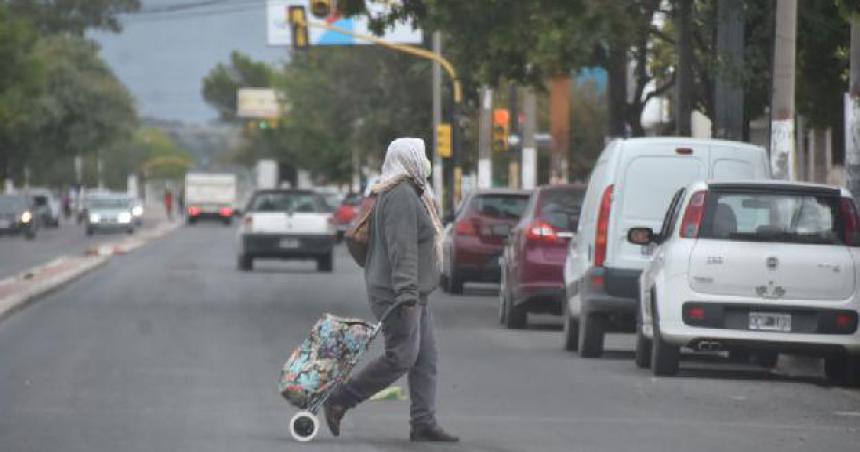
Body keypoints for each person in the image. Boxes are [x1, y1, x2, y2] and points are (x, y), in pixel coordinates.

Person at [324, 138, 459, 442]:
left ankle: (423, 422)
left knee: (426, 359)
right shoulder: (399, 195)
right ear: (408, 159)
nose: (424, 163)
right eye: (420, 156)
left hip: (413, 291)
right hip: (400, 293)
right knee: (401, 357)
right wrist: (407, 293)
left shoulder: (409, 193)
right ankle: (341, 399)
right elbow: (402, 248)